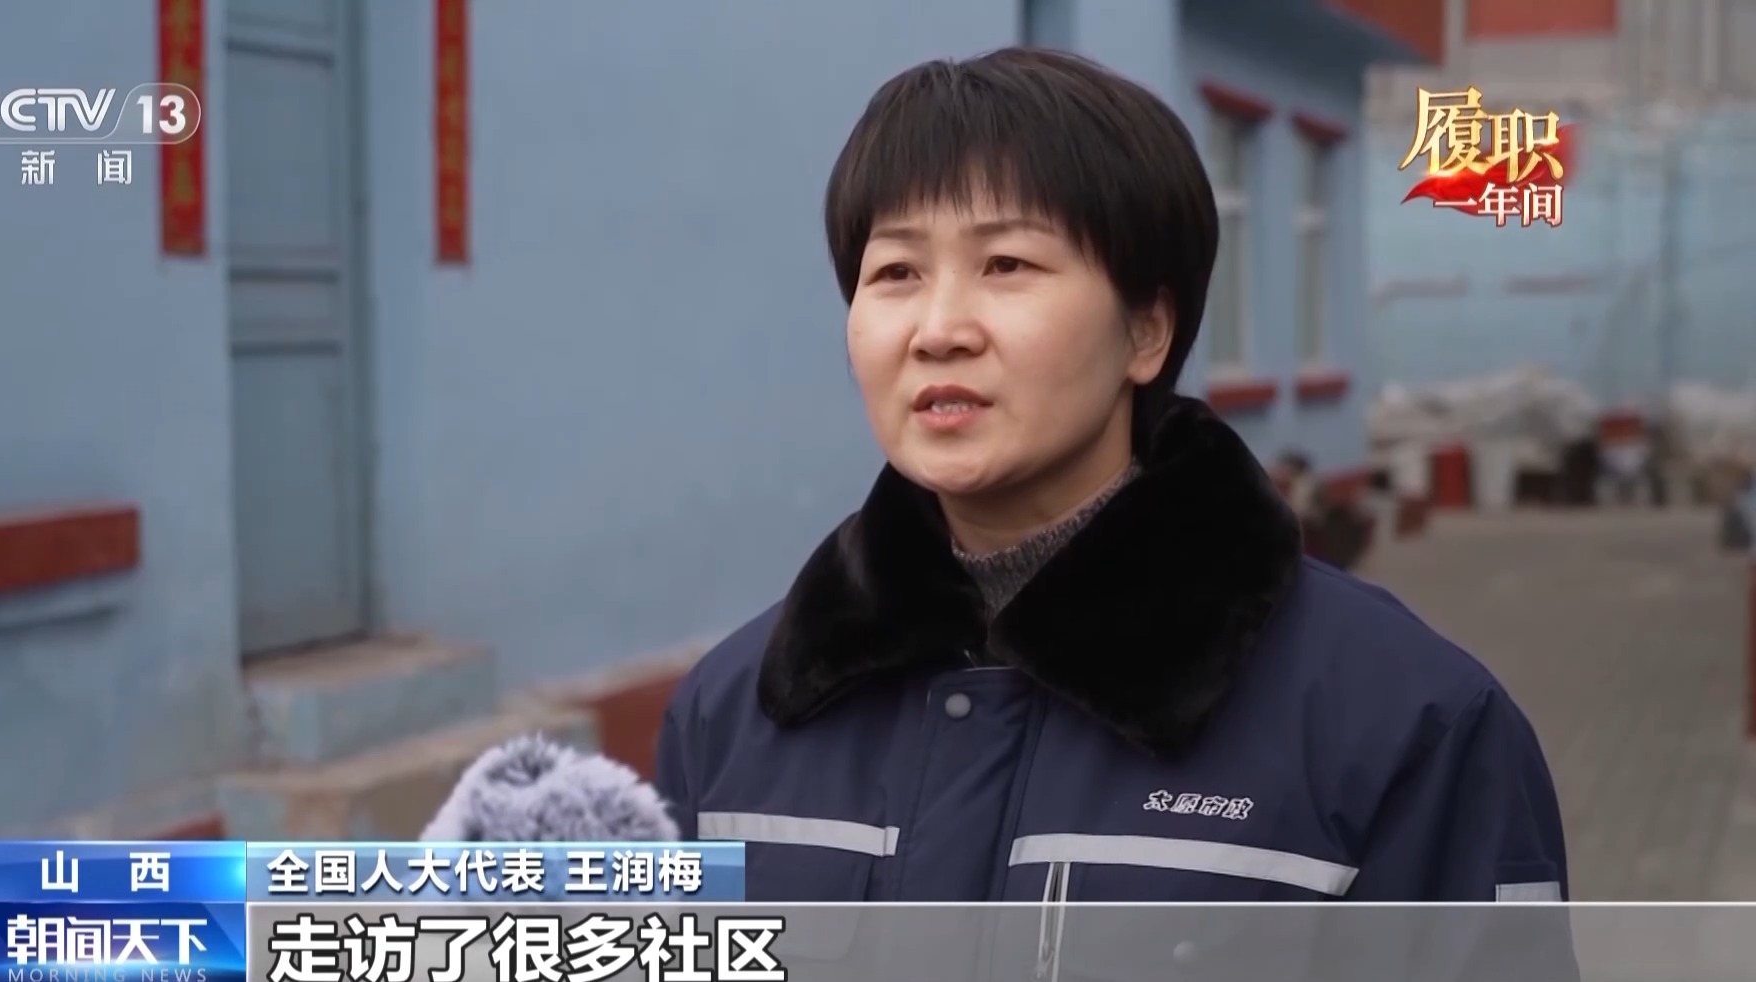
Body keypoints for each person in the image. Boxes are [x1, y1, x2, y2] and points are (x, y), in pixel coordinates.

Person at [654, 49, 1568, 911]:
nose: (938, 330)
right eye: (895, 271)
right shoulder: (727, 719)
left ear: (1146, 332)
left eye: (1007, 265)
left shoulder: (1406, 725)